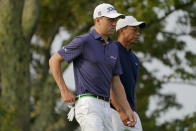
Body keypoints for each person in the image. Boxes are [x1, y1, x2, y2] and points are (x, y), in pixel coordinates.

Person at [49, 3, 137, 131]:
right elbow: (54, 60)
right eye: (110, 20)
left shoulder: (113, 47)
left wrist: (127, 109)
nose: (114, 23)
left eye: (115, 20)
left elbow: (116, 82)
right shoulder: (84, 41)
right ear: (98, 20)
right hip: (88, 103)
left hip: (107, 107)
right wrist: (64, 90)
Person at [110, 16, 146, 131]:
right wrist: (119, 110)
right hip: (113, 111)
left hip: (131, 113)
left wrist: (133, 110)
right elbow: (108, 84)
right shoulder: (111, 50)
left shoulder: (134, 58)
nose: (138, 33)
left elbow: (132, 86)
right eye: (134, 30)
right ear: (121, 30)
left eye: (138, 30)